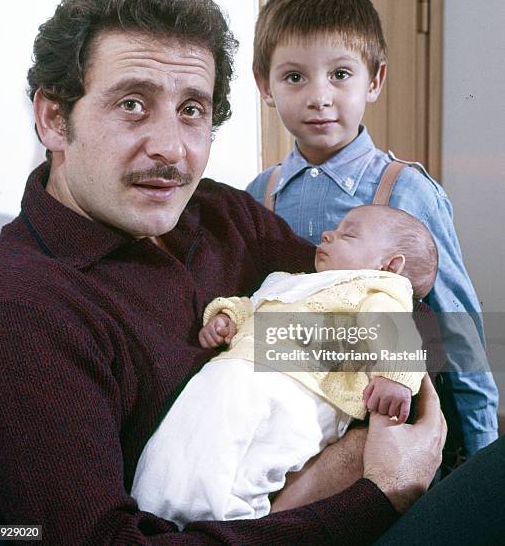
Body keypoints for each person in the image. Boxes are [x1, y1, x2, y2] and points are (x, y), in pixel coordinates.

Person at [0, 0, 448, 545]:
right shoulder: (20, 310)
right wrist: (372, 485)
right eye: (132, 104)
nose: (171, 149)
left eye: (192, 110)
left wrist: (279, 347)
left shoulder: (221, 213)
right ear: (53, 118)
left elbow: (409, 323)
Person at [246, 0, 498, 460]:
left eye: (340, 74)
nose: (319, 97)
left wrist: (483, 453)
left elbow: (457, 324)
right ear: (266, 85)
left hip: (378, 417)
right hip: (283, 421)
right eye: (294, 77)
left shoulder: (405, 190)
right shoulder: (261, 194)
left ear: (375, 80)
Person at [131, 204, 436, 528]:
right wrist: (227, 317)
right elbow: (253, 304)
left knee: (255, 462)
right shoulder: (291, 280)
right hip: (232, 371)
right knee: (189, 438)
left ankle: (225, 522)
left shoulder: (379, 290)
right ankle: (160, 510)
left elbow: (397, 333)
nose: (327, 234)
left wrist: (395, 378)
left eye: (348, 234)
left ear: (389, 265)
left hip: (304, 391)